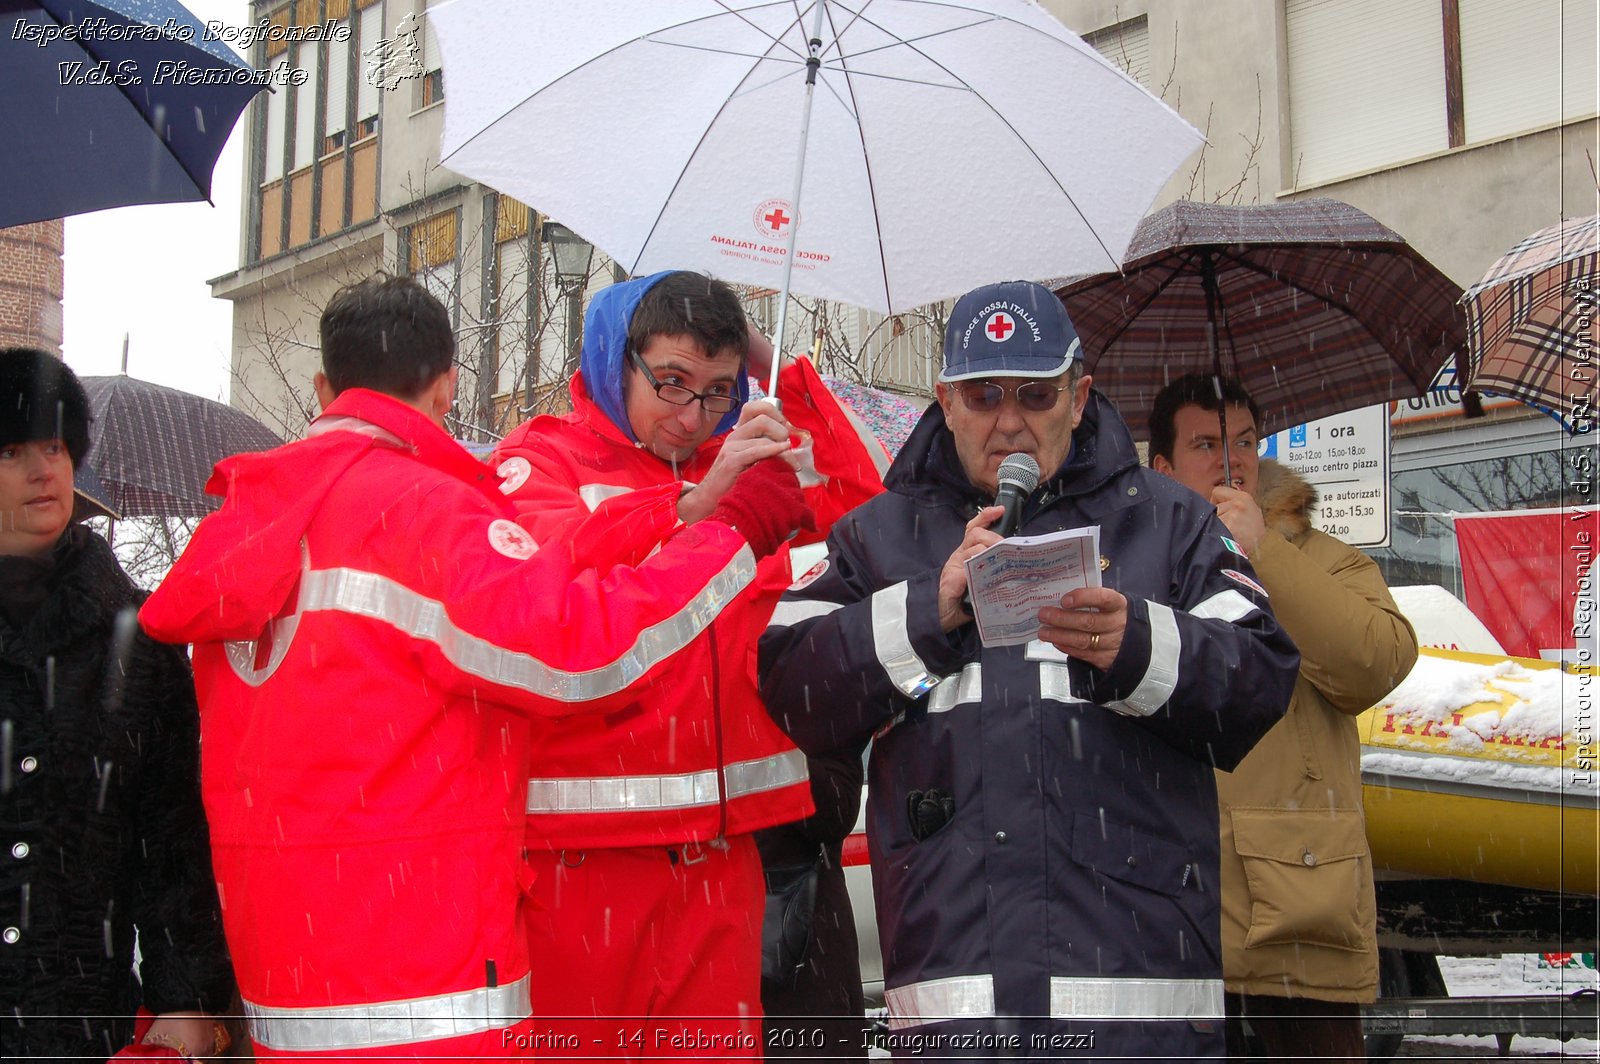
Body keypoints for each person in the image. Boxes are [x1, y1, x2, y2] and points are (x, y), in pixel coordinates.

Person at [138, 275, 810, 1060]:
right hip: (437, 968)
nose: (693, 411)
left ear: (324, 386)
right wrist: (720, 530)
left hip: (302, 973)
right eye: (671, 382)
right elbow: (573, 648)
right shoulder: (432, 512)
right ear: (451, 384)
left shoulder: (247, 525)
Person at [758, 280, 1301, 1060]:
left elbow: (1260, 677)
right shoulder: (879, 537)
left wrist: (1138, 645)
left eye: (1036, 394)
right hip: (959, 1004)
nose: (1009, 421)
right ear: (944, 401)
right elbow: (789, 686)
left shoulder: (1171, 521)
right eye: (982, 395)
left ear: (1079, 398)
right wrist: (929, 609)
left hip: (1137, 1010)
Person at [491, 270, 885, 1058]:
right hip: (582, 861)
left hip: (725, 855)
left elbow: (871, 516)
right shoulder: (541, 458)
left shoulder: (737, 456)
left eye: (716, 389)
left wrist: (785, 382)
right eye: (670, 383)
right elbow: (548, 583)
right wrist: (699, 510)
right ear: (616, 358)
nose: (691, 414)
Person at [1148, 374, 1418, 1062]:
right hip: (1168, 923)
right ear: (1163, 468)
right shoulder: (1136, 572)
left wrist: (1261, 552)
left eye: (1243, 441)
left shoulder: (1324, 559)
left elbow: (1375, 663)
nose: (1231, 461)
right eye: (1206, 444)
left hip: (1297, 918)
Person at [0, 349, 236, 1062]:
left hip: (74, 1019)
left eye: (57, 446)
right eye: (14, 451)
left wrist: (185, 997)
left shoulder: (138, 640)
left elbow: (169, 842)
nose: (46, 469)